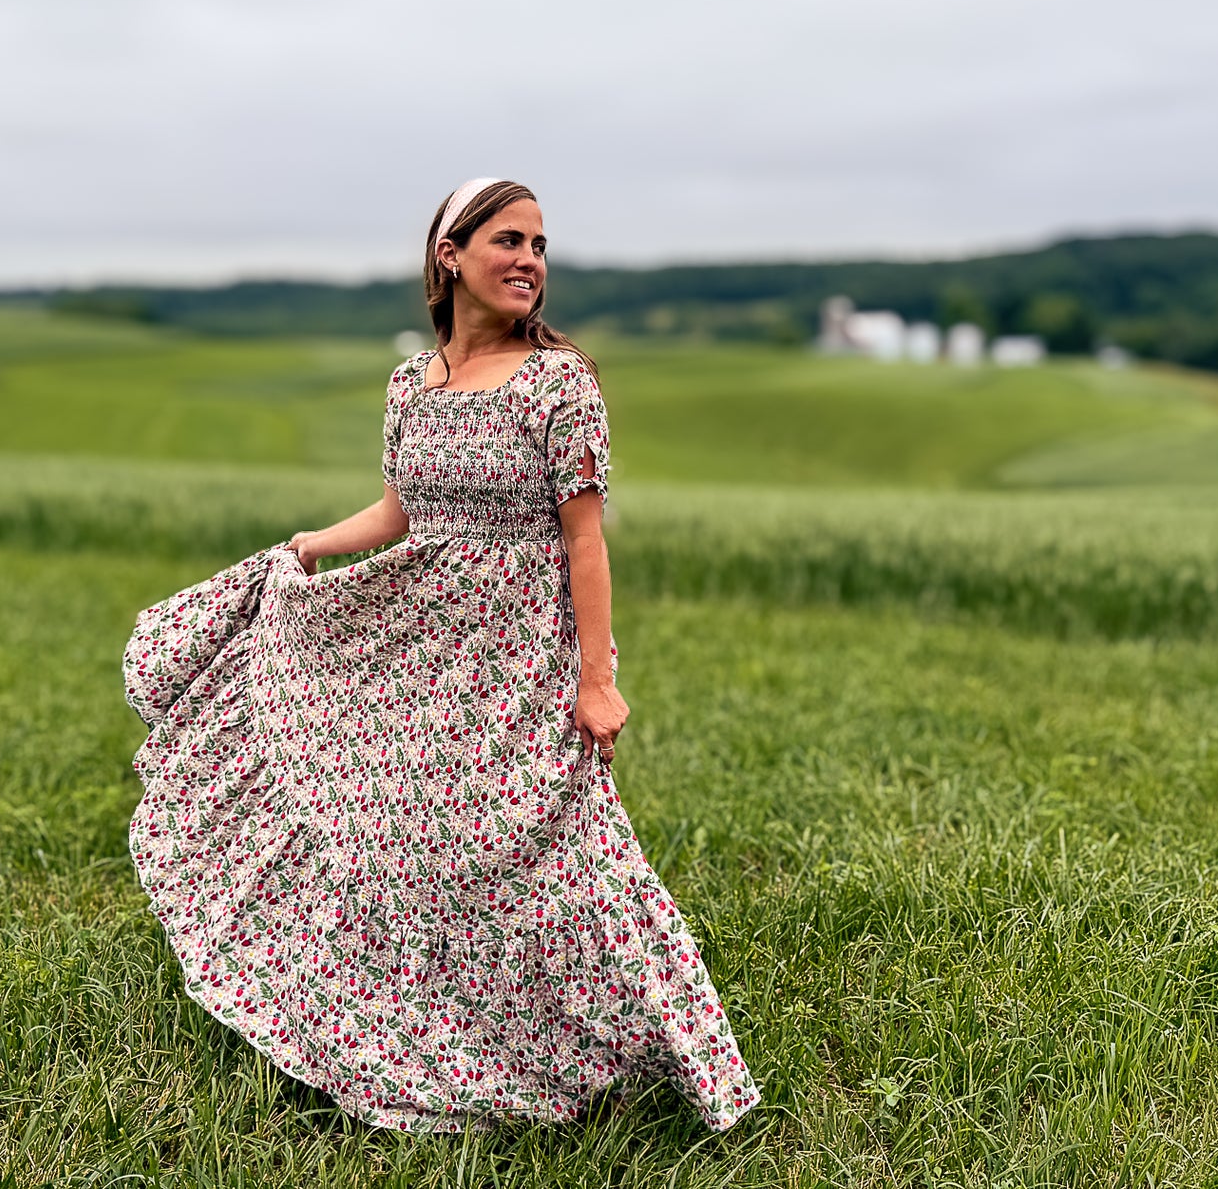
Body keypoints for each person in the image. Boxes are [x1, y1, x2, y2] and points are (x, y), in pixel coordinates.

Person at [123, 178, 759, 1132]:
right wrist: (304, 548)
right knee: (402, 841)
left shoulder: (561, 384)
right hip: (420, 645)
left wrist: (597, 680)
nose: (530, 262)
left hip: (521, 660)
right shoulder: (408, 385)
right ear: (449, 256)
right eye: (509, 241)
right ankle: (428, 1038)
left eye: (541, 246)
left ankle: (647, 1053)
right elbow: (400, 513)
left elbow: (585, 542)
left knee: (554, 857)